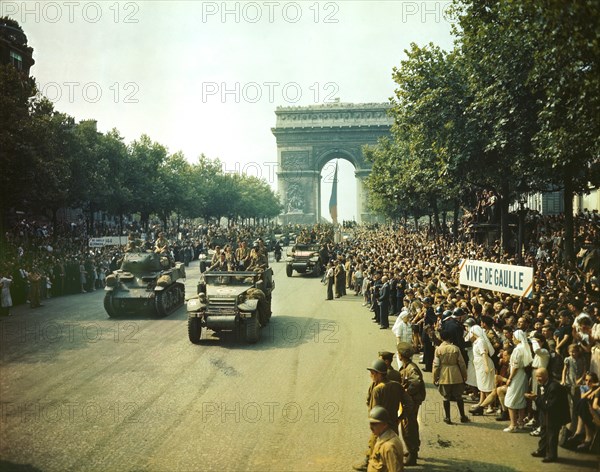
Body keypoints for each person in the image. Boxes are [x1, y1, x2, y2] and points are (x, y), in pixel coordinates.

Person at [527, 367, 571, 463]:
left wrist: (535, 399)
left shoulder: (554, 387)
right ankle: (542, 450)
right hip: (545, 413)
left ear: (546, 376)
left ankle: (552, 455)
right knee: (543, 431)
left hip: (554, 414)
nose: (538, 379)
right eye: (537, 376)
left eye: (540, 376)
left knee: (552, 435)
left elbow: (550, 405)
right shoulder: (541, 385)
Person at [397, 342, 425, 467]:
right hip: (410, 401)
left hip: (412, 401)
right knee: (409, 425)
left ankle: (412, 454)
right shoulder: (406, 366)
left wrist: (407, 391)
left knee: (409, 427)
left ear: (401, 355)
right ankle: (411, 450)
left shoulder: (411, 368)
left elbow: (416, 382)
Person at [433, 330, 469, 424]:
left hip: (444, 374)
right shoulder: (455, 349)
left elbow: (436, 365)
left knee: (446, 397)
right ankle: (462, 416)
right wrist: (464, 375)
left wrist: (435, 377)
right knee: (459, 396)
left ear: (441, 338)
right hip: (456, 373)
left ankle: (448, 417)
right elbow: (462, 364)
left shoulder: (438, 350)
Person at [503, 329, 533, 432]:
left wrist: (510, 378)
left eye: (514, 337)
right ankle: (520, 422)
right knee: (520, 399)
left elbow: (515, 366)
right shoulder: (525, 348)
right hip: (523, 375)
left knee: (511, 399)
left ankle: (513, 425)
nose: (512, 338)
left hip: (516, 376)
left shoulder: (517, 349)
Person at [366, 406, 405, 472]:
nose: (371, 427)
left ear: (385, 425)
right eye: (370, 423)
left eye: (374, 424)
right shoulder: (383, 437)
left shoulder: (388, 447)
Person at [468, 325, 496, 415]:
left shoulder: (481, 341)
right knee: (481, 385)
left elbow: (484, 354)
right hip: (479, 365)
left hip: (483, 364)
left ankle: (490, 406)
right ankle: (481, 402)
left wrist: (486, 366)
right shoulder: (476, 341)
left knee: (487, 385)